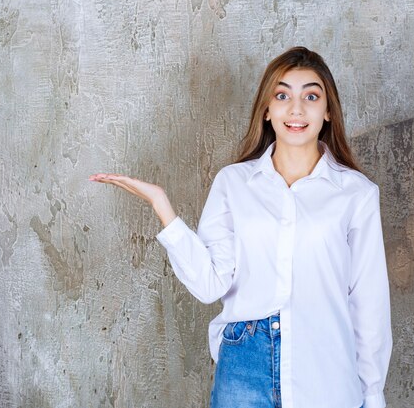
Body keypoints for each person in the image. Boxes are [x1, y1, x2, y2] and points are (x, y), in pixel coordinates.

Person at [90, 46, 392, 408]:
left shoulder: (356, 194)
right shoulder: (234, 182)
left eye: (311, 96)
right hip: (244, 366)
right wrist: (162, 206)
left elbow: (369, 303)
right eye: (282, 95)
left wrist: (373, 396)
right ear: (267, 110)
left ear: (328, 111)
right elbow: (210, 283)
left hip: (326, 369)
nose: (296, 109)